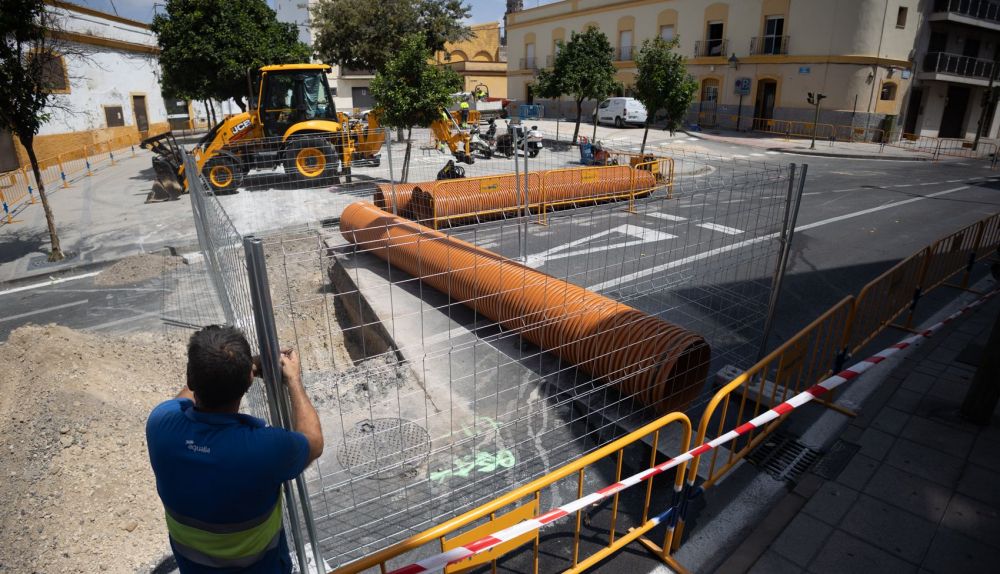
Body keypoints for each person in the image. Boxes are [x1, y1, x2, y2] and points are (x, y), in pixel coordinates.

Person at [146, 325, 323, 573]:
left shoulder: (160, 425)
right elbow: (313, 441)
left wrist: (239, 365)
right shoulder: (263, 450)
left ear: (189, 376)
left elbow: (184, 397)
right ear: (249, 380)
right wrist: (293, 380)